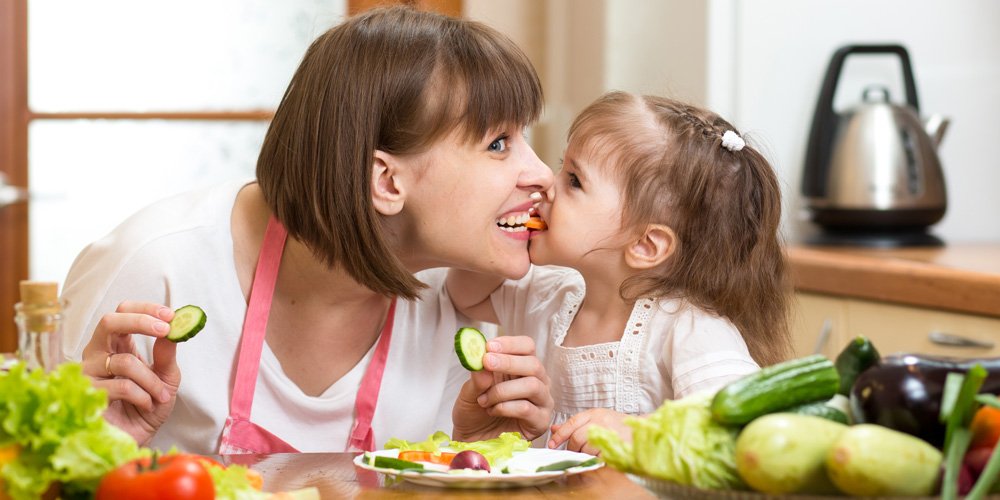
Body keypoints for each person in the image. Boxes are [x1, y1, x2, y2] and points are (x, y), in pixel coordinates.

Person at [60, 6, 556, 455]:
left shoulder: (461, 299)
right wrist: (91, 451)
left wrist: (472, 458)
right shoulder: (153, 268)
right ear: (385, 180)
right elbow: (34, 472)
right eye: (498, 144)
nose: (542, 176)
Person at [447, 91, 792, 454]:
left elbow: (748, 434)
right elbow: (465, 293)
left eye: (575, 181)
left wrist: (642, 434)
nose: (548, 183)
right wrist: (501, 230)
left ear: (645, 245)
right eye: (563, 167)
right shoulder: (552, 293)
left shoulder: (689, 327)